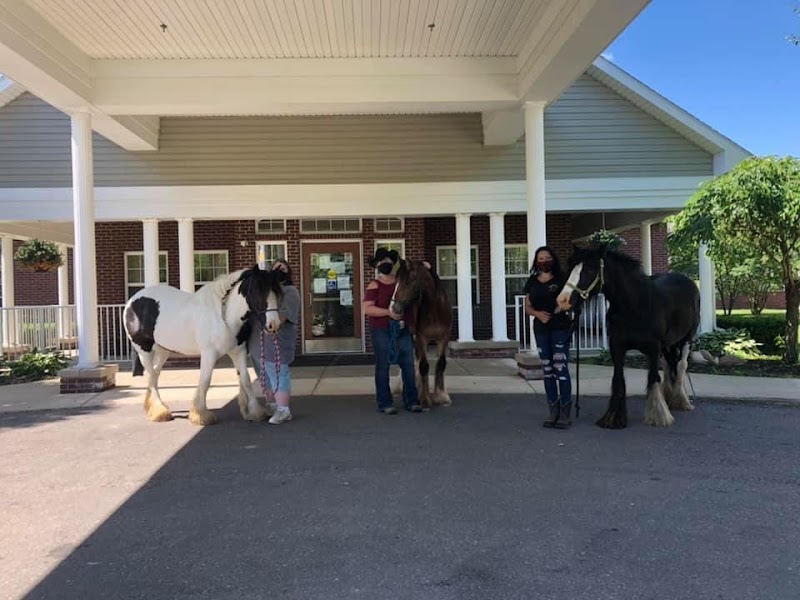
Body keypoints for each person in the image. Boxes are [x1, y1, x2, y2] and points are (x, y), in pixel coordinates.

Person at [363, 248, 421, 415]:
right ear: (376, 265)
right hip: (381, 329)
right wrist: (388, 313)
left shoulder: (401, 283)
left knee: (408, 365)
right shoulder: (374, 285)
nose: (385, 264)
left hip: (403, 329)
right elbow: (367, 308)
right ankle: (385, 402)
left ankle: (412, 400)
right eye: (381, 262)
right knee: (383, 365)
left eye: (388, 261)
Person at [524, 246, 574, 429]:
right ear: (536, 262)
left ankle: (565, 412)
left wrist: (564, 307)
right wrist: (537, 314)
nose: (544, 261)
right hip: (541, 329)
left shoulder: (562, 279)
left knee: (560, 367)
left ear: (553, 259)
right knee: (547, 369)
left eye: (546, 257)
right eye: (540, 258)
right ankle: (552, 410)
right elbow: (527, 307)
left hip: (560, 327)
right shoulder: (532, 281)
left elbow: (570, 300)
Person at [248, 258, 301, 425]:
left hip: (277, 339)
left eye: (284, 268)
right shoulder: (265, 292)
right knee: (263, 374)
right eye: (277, 267)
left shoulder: (290, 291)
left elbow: (285, 314)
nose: (280, 270)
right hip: (258, 341)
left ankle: (283, 409)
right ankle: (272, 404)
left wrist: (274, 324)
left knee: (278, 373)